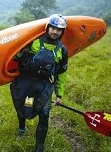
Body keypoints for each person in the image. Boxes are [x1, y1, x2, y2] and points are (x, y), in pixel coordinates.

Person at [10, 14, 68, 152]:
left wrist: (59, 94)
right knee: (24, 107)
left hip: (44, 86)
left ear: (62, 32)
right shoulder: (33, 41)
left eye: (59, 30)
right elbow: (15, 55)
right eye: (53, 28)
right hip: (27, 83)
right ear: (47, 28)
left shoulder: (62, 50)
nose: (55, 32)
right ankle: (22, 126)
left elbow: (62, 73)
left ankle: (39, 147)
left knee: (44, 114)